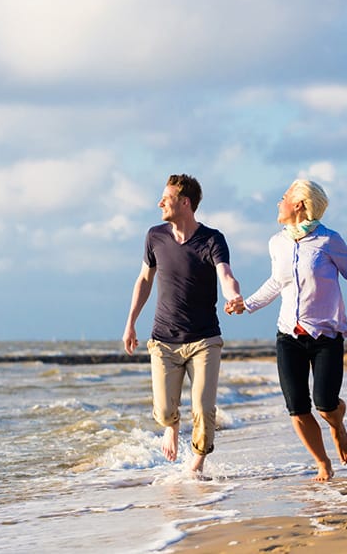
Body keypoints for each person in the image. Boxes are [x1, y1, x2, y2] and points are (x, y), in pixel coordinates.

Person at [225, 179, 347, 482]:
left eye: (283, 198)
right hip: (288, 335)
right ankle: (322, 462)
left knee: (327, 405)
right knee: (297, 407)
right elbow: (277, 282)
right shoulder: (276, 243)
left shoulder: (329, 241)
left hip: (326, 336)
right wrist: (246, 304)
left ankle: (337, 426)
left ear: (299, 205)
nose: (278, 203)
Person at [123, 174, 243, 475]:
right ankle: (172, 427)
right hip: (163, 339)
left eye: (167, 197)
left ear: (185, 202)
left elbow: (225, 274)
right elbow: (144, 280)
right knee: (164, 411)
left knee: (203, 410)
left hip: (204, 340)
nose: (160, 202)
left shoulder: (212, 239)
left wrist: (234, 296)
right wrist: (131, 324)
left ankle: (197, 464)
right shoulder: (155, 236)